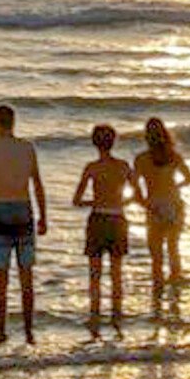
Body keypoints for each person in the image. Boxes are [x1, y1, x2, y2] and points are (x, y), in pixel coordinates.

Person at [0, 104, 47, 344]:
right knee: (26, 275)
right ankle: (28, 331)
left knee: (1, 278)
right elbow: (37, 183)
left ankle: (2, 331)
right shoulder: (27, 147)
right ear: (13, 123)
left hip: (1, 208)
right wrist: (43, 216)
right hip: (24, 208)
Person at [73, 123, 138, 327]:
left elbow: (77, 200)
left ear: (95, 143)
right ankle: (117, 314)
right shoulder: (123, 166)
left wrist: (96, 201)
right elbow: (137, 194)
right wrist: (121, 202)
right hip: (118, 218)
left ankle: (95, 314)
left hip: (98, 218)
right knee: (116, 272)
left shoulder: (92, 168)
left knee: (95, 273)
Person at [133, 116, 190, 294]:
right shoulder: (174, 156)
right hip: (173, 203)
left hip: (154, 205)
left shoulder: (141, 159)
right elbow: (189, 179)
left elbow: (136, 187)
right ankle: (175, 293)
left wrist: (143, 203)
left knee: (156, 255)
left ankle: (157, 295)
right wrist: (175, 185)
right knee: (173, 249)